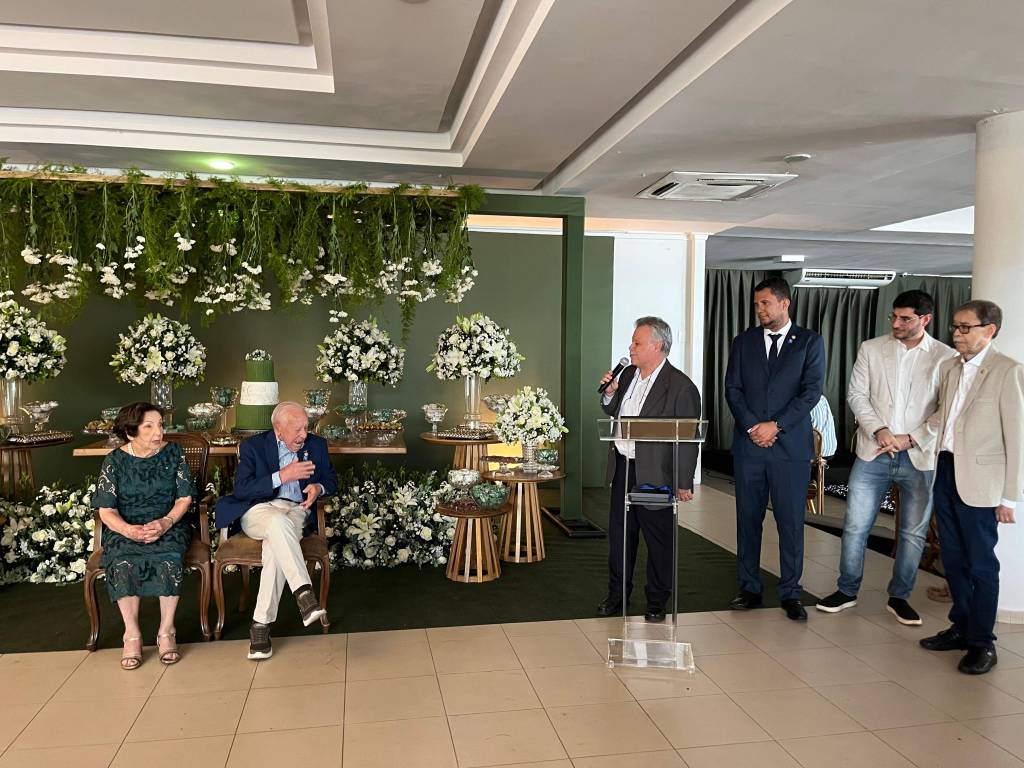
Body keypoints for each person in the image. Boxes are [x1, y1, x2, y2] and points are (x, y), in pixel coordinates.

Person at [817, 290, 955, 625]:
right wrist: (879, 430)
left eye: (905, 318)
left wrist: (911, 438)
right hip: (873, 451)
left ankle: (899, 597)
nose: (896, 323)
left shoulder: (946, 357)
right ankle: (847, 590)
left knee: (912, 533)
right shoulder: (871, 348)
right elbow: (857, 394)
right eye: (894, 316)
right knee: (855, 526)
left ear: (925, 319)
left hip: (919, 456)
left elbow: (946, 409)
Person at [919, 300, 1024, 675]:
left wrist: (1010, 497)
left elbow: (1018, 439)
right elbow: (943, 420)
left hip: (982, 483)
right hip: (947, 470)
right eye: (955, 327)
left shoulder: (1009, 371)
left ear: (989, 330)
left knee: (981, 565)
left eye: (965, 327)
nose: (957, 334)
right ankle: (961, 627)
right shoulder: (951, 367)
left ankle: (982, 643)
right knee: (954, 559)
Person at [725, 276, 826, 620]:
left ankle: (791, 592)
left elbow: (811, 392)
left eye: (765, 303)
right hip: (750, 446)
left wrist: (776, 425)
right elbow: (733, 389)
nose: (760, 309)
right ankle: (749, 588)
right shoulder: (743, 342)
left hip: (790, 448)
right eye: (757, 304)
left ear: (785, 303)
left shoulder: (809, 342)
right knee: (748, 519)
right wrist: (754, 427)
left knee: (790, 522)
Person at [596, 316, 701, 622]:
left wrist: (684, 481)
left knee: (657, 539)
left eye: (637, 343)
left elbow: (688, 439)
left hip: (654, 474)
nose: (631, 347)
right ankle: (617, 595)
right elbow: (611, 409)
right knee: (621, 538)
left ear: (657, 346)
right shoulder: (628, 374)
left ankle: (656, 600)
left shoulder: (680, 386)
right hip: (623, 468)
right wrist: (610, 393)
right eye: (632, 342)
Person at [215, 401, 339, 660]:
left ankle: (260, 624)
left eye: (305, 427)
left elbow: (331, 479)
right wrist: (282, 476)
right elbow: (242, 489)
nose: (304, 435)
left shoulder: (316, 445)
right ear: (278, 429)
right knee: (277, 524)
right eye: (297, 429)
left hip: (296, 509)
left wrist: (318, 488)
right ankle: (304, 593)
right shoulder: (254, 446)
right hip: (259, 509)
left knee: (275, 546)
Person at [92, 402, 195, 669]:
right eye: (148, 426)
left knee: (169, 556)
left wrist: (165, 522)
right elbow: (106, 510)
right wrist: (128, 529)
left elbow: (184, 498)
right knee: (122, 558)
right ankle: (132, 634)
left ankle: (167, 630)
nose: (158, 432)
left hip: (168, 523)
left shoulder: (174, 453)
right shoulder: (114, 461)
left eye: (160, 424)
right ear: (130, 432)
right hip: (126, 526)